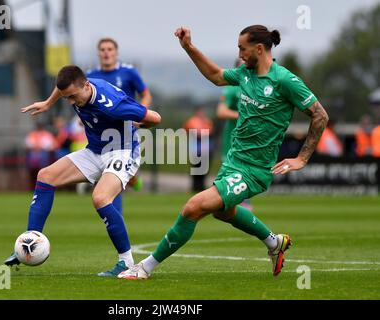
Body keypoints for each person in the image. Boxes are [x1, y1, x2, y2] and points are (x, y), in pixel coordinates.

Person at [118, 25, 328, 280]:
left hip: (255, 170)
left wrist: (302, 158)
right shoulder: (245, 74)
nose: (239, 54)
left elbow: (320, 115)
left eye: (242, 48)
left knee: (193, 207)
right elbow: (216, 75)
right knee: (222, 211)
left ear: (259, 49)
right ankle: (274, 243)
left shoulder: (284, 80)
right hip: (233, 162)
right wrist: (189, 47)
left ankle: (144, 268)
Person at [4, 66, 161, 277]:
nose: (70, 101)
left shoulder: (112, 105)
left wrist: (136, 125)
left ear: (86, 86)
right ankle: (30, 241)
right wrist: (48, 103)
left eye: (73, 96)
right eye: (67, 96)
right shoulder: (79, 86)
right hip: (95, 151)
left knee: (100, 198)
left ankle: (127, 263)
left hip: (122, 151)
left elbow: (155, 118)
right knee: (45, 176)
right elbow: (63, 89)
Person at [87, 38, 152, 195]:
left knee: (114, 174)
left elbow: (145, 94)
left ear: (116, 52)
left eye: (109, 49)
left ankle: (132, 179)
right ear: (98, 53)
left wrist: (140, 114)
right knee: (109, 174)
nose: (106, 52)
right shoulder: (91, 75)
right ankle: (130, 180)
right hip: (100, 130)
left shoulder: (128, 72)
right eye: (103, 49)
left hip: (125, 128)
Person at [216, 58, 252, 210]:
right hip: (233, 138)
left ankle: (241, 203)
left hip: (250, 140)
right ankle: (233, 203)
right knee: (231, 171)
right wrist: (240, 115)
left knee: (247, 171)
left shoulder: (256, 87)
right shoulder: (232, 89)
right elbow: (221, 111)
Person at [183, 107, 213, 191]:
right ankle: (195, 186)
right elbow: (194, 132)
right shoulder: (192, 121)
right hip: (196, 149)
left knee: (204, 169)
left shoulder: (207, 121)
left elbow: (210, 131)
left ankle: (201, 186)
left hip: (206, 149)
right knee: (196, 168)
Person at [25, 123, 58, 189]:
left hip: (44, 152)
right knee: (32, 157)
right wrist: (36, 147)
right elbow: (28, 144)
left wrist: (41, 147)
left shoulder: (47, 134)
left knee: (43, 157)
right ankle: (34, 172)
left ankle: (42, 172)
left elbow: (51, 145)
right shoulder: (32, 134)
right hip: (34, 152)